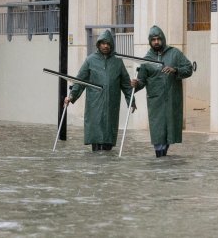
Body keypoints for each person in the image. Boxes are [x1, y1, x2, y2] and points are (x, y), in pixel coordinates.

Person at [64, 29, 135, 151]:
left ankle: (106, 167)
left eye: (108, 43)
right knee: (96, 139)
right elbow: (80, 81)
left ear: (111, 45)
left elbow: (126, 84)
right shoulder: (90, 60)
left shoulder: (118, 61)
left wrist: (131, 101)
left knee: (108, 139)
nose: (106, 46)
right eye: (103, 43)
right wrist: (71, 96)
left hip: (111, 106)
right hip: (94, 106)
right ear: (98, 44)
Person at [130, 25, 193, 157]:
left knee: (169, 131)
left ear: (163, 39)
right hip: (155, 101)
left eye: (158, 39)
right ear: (150, 41)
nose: (156, 42)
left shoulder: (175, 53)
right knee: (158, 131)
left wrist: (175, 70)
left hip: (172, 99)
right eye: (153, 39)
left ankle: (164, 160)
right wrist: (136, 84)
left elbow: (188, 68)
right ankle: (160, 158)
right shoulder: (146, 60)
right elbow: (142, 81)